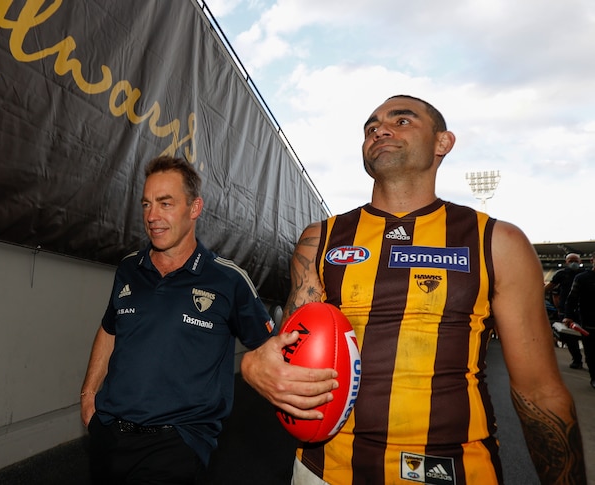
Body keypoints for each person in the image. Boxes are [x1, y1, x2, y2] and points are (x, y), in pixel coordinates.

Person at [240, 95, 586, 484]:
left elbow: (539, 391)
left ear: (443, 142)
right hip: (324, 469)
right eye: (370, 127)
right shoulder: (320, 239)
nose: (380, 129)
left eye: (402, 120)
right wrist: (254, 365)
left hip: (453, 471)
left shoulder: (496, 241)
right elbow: (291, 350)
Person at [79, 155, 275, 484]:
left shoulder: (228, 280)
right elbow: (110, 329)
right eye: (146, 204)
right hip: (109, 434)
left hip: (177, 444)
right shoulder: (129, 268)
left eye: (165, 203)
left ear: (194, 208)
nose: (152, 216)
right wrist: (88, 398)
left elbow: (269, 350)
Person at [546, 253, 586, 368]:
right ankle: (577, 359)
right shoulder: (561, 274)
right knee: (569, 336)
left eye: (576, 260)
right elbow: (550, 287)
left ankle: (588, 359)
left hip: (583, 309)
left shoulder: (585, 274)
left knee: (587, 335)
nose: (573, 263)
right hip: (565, 310)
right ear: (566, 262)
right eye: (571, 260)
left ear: (580, 261)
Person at [564, 256, 595, 389]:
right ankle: (594, 377)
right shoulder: (582, 278)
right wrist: (568, 316)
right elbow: (571, 299)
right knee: (591, 352)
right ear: (593, 260)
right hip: (589, 323)